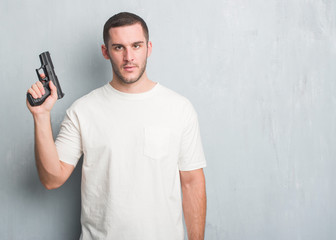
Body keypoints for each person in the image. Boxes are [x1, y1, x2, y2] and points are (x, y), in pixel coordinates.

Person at [27, 12, 207, 240]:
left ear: (148, 48)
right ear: (105, 52)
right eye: (119, 47)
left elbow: (192, 183)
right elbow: (52, 179)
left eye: (136, 45)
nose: (129, 56)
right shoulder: (83, 110)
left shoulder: (179, 108)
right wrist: (41, 116)